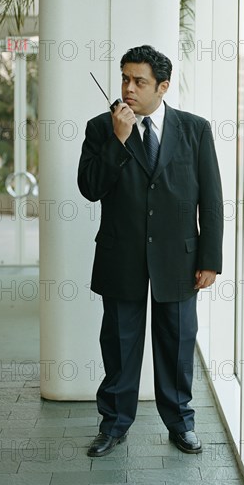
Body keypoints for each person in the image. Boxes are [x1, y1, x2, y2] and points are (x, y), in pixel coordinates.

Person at [78, 45, 223, 457]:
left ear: (163, 86)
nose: (128, 88)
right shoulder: (101, 127)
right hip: (120, 256)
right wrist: (118, 141)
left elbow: (211, 199)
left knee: (177, 344)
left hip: (180, 258)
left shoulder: (195, 129)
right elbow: (89, 188)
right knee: (120, 347)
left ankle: (181, 424)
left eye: (139, 81)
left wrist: (210, 259)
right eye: (124, 78)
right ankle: (114, 425)